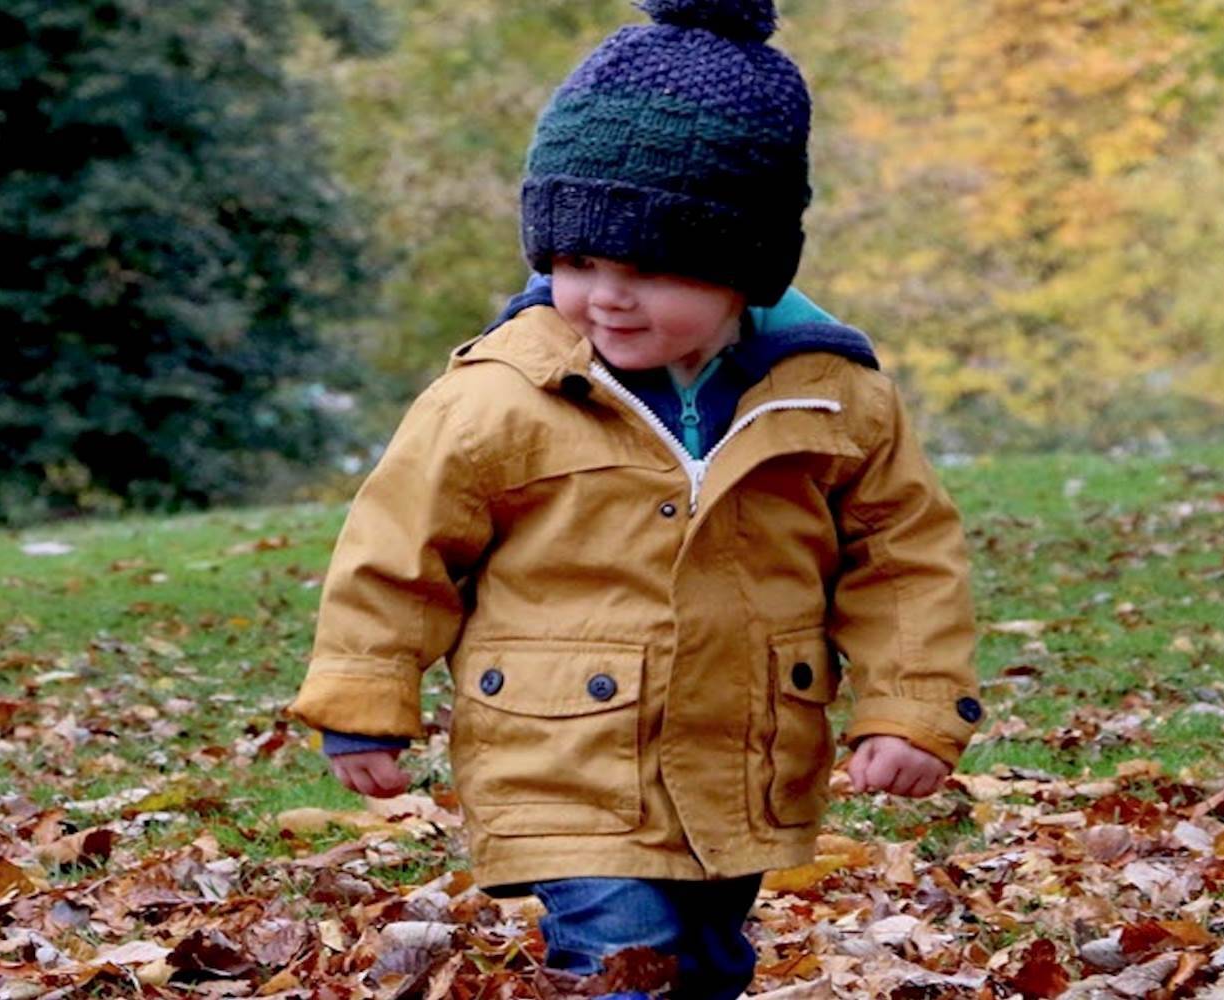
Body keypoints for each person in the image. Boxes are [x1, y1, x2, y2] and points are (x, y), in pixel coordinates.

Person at [287, 1, 982, 997]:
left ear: (743, 266)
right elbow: (400, 548)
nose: (606, 296)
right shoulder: (500, 396)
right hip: (559, 756)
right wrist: (363, 698)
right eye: (575, 264)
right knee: (622, 960)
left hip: (742, 758)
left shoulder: (832, 396)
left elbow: (902, 558)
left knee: (706, 960)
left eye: (648, 270)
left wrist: (910, 708)